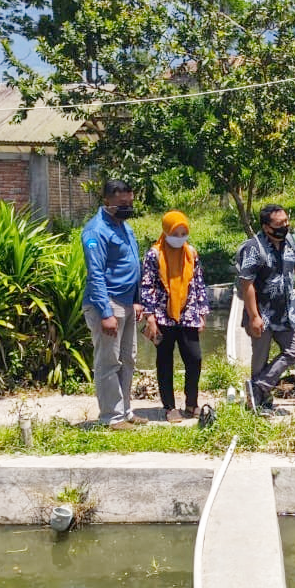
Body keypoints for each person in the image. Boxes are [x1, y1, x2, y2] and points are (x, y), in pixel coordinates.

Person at [235, 204, 295, 413]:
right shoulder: (253, 248)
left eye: (286, 222)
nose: (284, 227)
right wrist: (253, 316)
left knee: (294, 350)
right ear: (266, 226)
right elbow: (247, 284)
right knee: (260, 358)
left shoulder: (289, 240)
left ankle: (259, 386)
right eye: (279, 224)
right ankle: (259, 402)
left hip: (288, 311)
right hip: (262, 313)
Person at [81, 179, 145, 429]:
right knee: (108, 361)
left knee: (128, 359)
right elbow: (95, 273)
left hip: (128, 303)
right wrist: (105, 312)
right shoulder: (95, 230)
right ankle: (111, 416)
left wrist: (138, 300)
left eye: (130, 202)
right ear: (107, 201)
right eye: (122, 203)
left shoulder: (124, 226)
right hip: (107, 303)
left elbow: (133, 264)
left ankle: (125, 411)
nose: (127, 206)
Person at [140, 210, 210, 423]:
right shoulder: (155, 254)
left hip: (188, 313)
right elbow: (147, 285)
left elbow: (198, 284)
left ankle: (192, 403)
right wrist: (150, 316)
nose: (179, 238)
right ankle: (169, 406)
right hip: (162, 316)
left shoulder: (191, 253)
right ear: (166, 231)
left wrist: (202, 313)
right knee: (165, 361)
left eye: (183, 233)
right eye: (175, 233)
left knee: (194, 358)